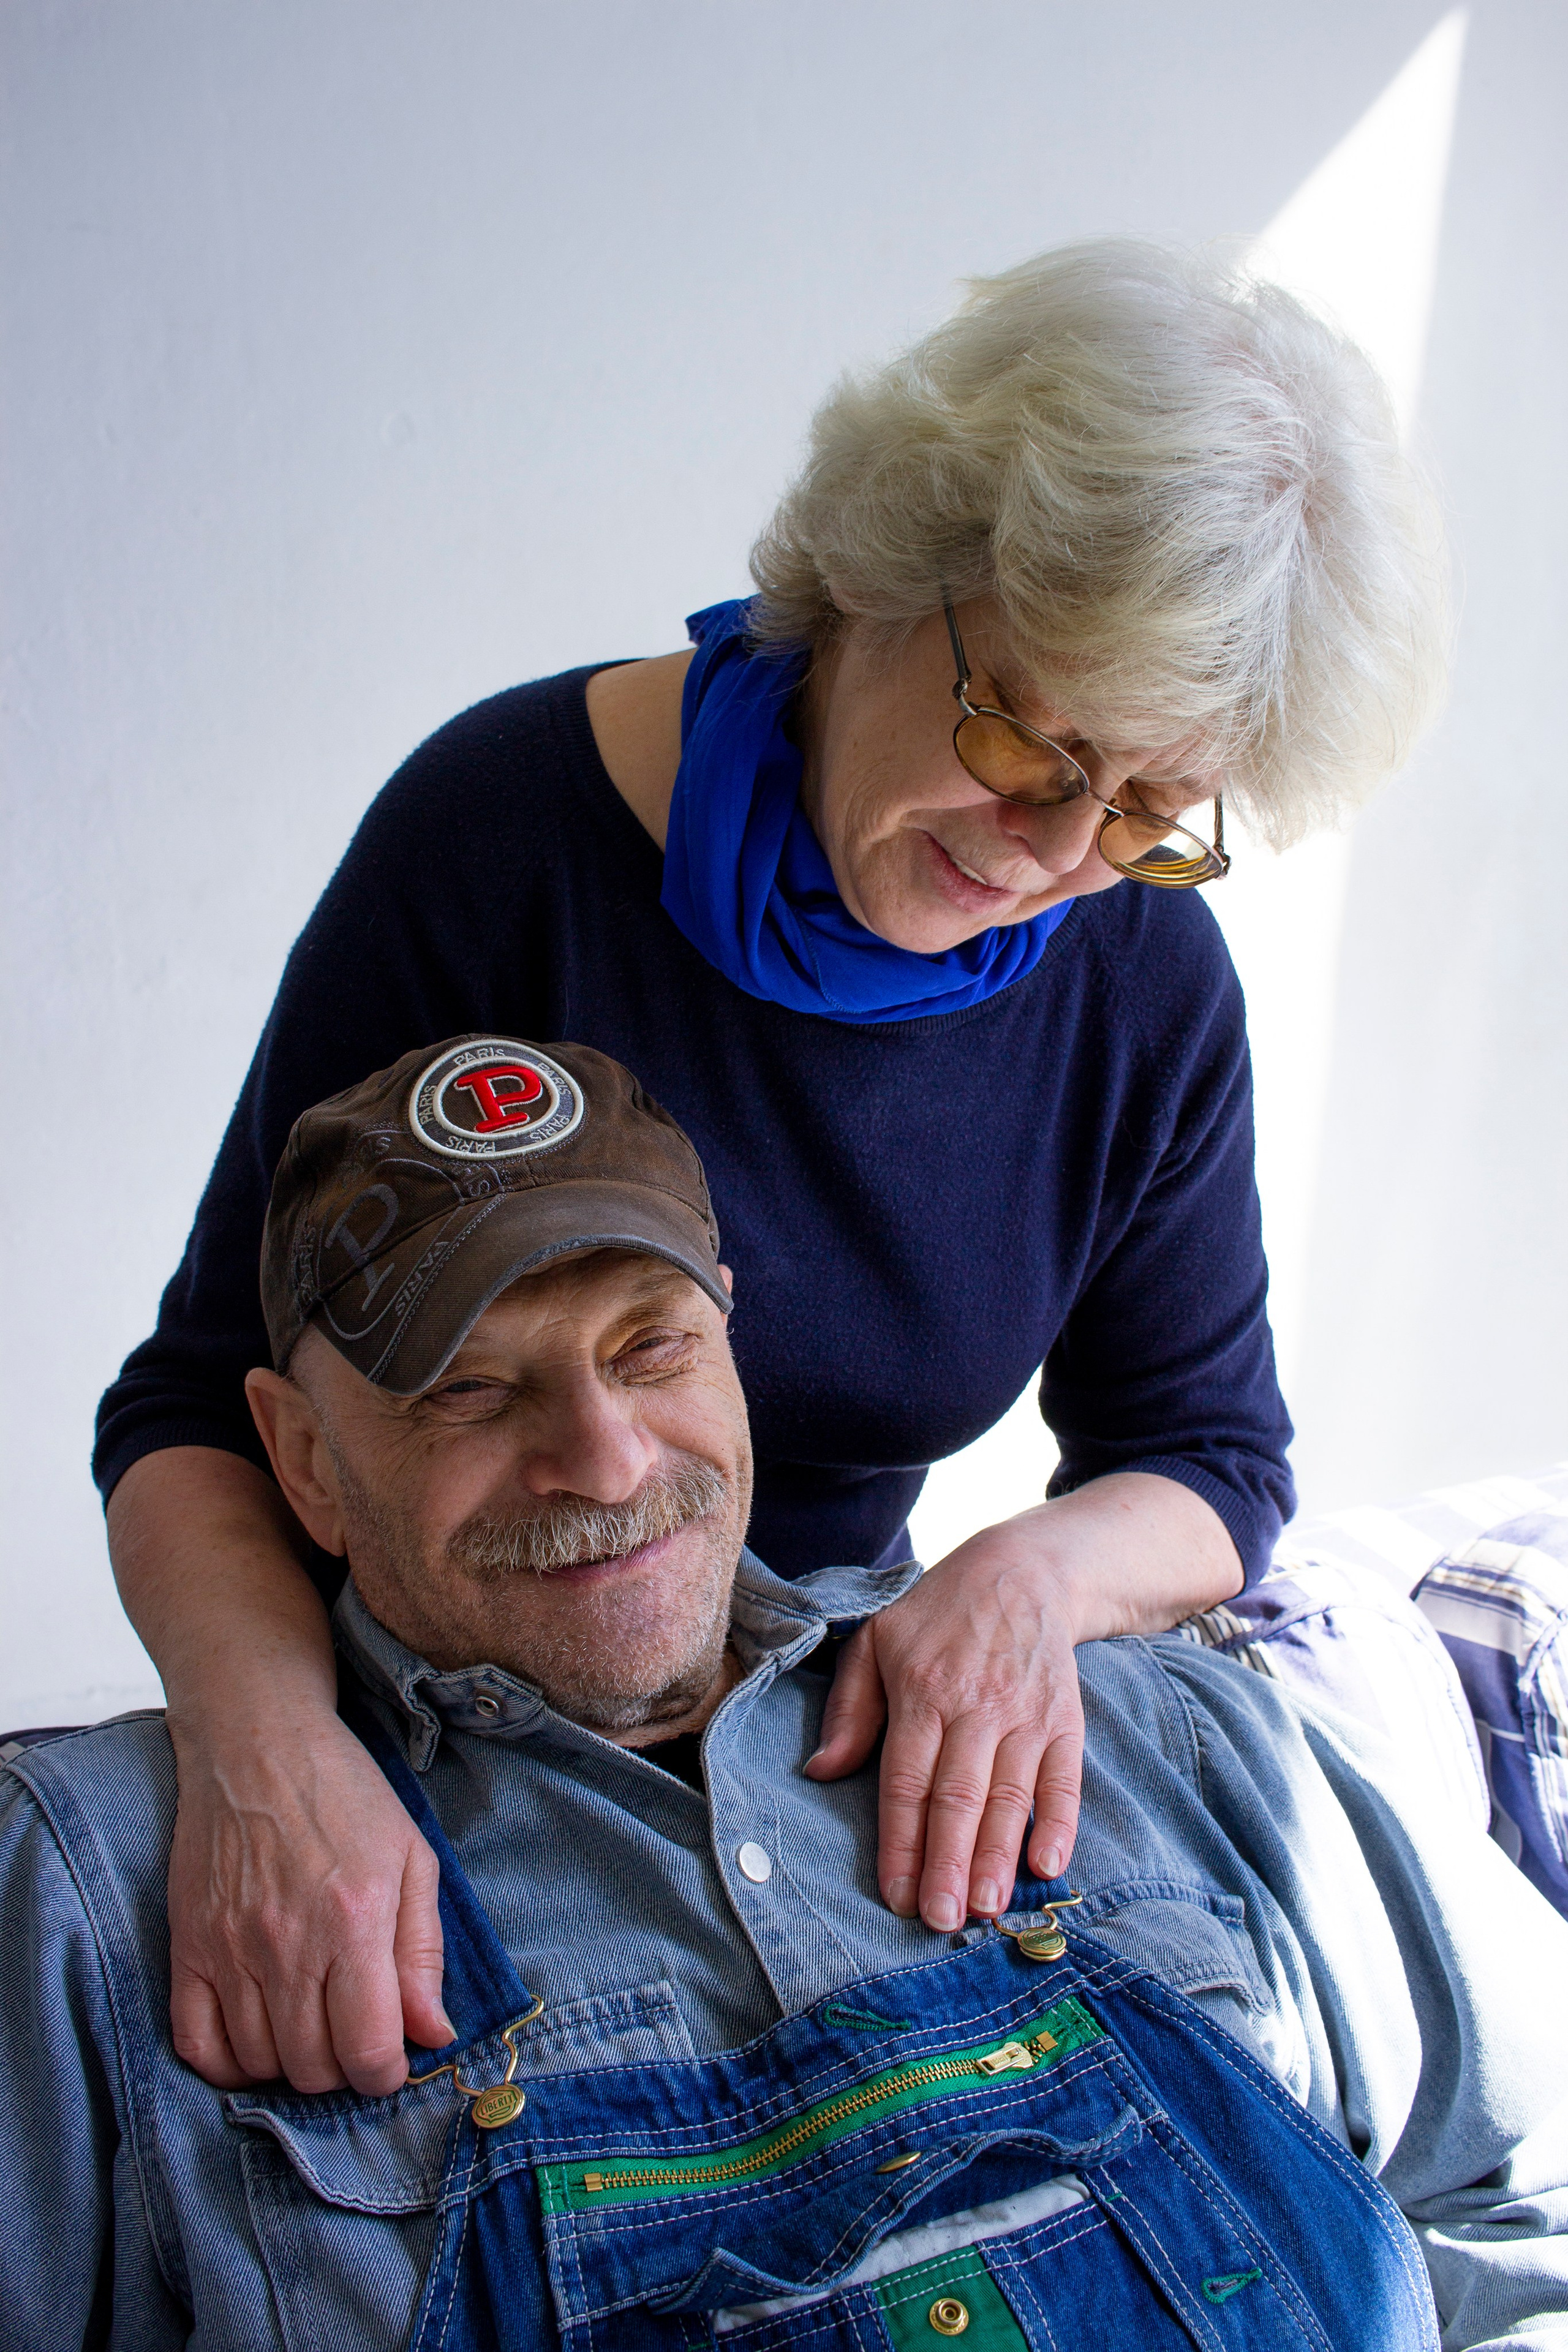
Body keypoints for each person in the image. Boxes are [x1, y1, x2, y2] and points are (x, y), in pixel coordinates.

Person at [93, 238, 1450, 2097]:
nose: (1054, 852)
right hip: (447, 1730)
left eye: (1146, 809)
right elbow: (191, 1407)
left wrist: (1033, 1579)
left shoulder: (1136, 977)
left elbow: (1208, 1462)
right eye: (1024, 741)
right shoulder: (499, 837)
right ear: (886, 572)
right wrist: (271, 1757)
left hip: (806, 1710)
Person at [15, 1040, 1564, 2351]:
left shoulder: (1162, 1731)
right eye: (471, 1392)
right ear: (300, 1460)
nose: (607, 1461)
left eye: (652, 1347)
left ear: (733, 1345)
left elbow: (1531, 2200)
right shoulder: (99, 1894)